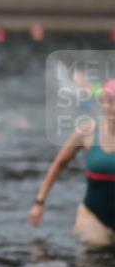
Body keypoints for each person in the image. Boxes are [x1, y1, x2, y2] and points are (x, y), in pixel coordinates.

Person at [30, 78, 115, 248]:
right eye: (111, 102)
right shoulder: (87, 131)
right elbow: (59, 164)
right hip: (93, 215)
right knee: (95, 260)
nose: (114, 108)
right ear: (102, 102)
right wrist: (39, 202)